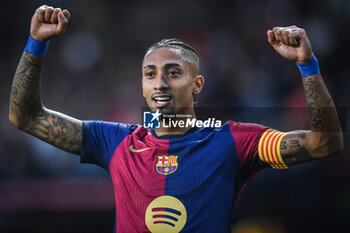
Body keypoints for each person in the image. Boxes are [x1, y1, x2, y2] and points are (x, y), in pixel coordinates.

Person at [9, 5, 343, 233]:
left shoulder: (234, 142)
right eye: (150, 74)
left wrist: (307, 66)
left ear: (198, 85)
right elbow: (25, 117)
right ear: (141, 87)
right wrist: (36, 43)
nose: (160, 83)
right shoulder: (116, 141)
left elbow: (324, 143)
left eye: (173, 73)